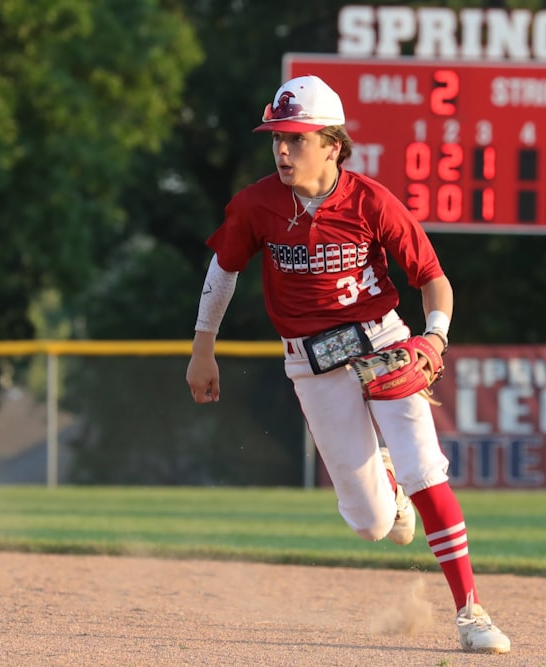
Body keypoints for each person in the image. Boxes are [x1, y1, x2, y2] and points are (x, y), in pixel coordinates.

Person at [185, 74, 511, 654]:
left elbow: (433, 279)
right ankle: (388, 484)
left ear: (333, 144)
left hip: (383, 344)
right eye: (277, 138)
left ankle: (471, 612)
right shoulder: (257, 203)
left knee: (425, 469)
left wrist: (434, 340)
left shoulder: (369, 201)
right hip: (312, 365)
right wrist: (202, 348)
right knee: (371, 524)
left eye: (297, 138)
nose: (283, 150)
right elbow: (223, 269)